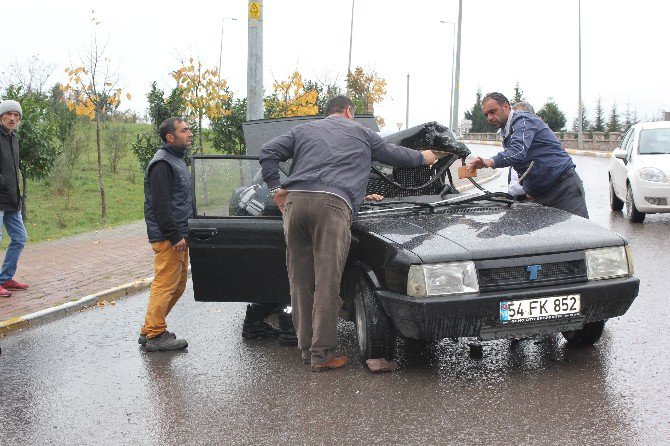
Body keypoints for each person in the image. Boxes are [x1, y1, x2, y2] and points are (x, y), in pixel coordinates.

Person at [260, 95, 437, 371]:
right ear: (348, 111)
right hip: (331, 207)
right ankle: (322, 355)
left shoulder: (303, 130)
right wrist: (424, 157)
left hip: (294, 204)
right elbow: (394, 155)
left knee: (300, 283)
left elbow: (268, 151)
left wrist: (275, 190)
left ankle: (306, 351)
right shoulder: (361, 132)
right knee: (327, 283)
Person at [467, 92, 589, 218]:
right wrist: (529, 188)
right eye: (486, 115)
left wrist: (490, 161)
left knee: (580, 235)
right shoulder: (506, 130)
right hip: (540, 195)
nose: (490, 118)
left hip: (564, 190)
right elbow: (524, 163)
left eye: (493, 111)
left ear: (506, 107)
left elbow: (518, 152)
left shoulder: (523, 119)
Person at [138, 117, 193, 352]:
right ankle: (155, 334)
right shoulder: (162, 164)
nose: (190, 133)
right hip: (169, 237)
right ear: (170, 137)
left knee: (178, 285)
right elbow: (161, 205)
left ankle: (149, 328)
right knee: (165, 285)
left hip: (179, 234)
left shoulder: (175, 161)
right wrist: (174, 236)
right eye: (184, 130)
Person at [0, 100, 29, 298]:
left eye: (16, 115)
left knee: (20, 238)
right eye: (8, 114)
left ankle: (5, 278)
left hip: (11, 199)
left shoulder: (13, 139)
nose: (12, 118)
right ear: (1, 116)